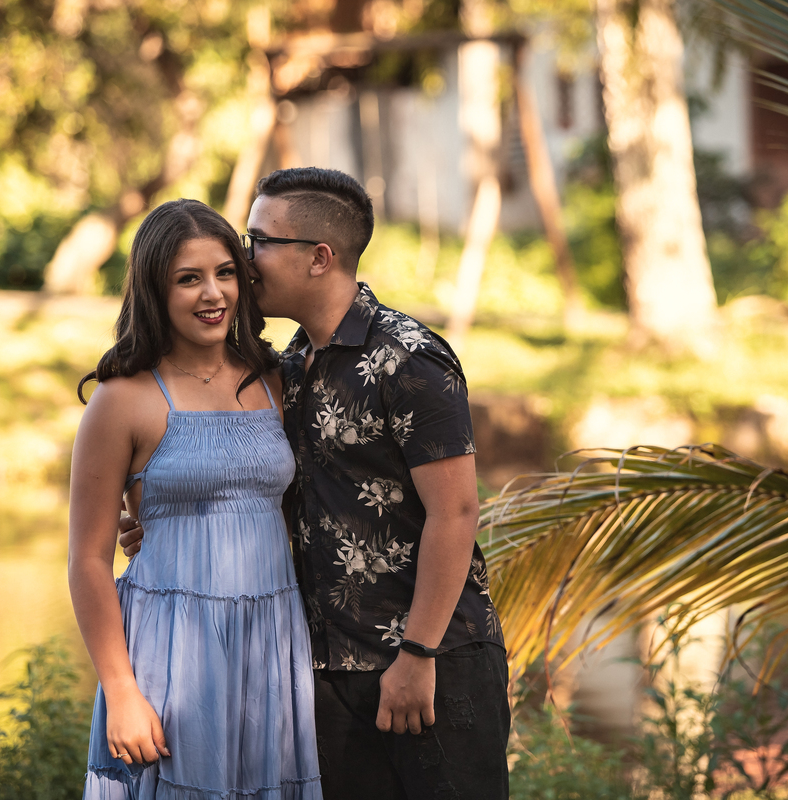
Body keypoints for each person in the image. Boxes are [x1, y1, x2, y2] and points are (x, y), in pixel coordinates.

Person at [121, 168, 510, 800]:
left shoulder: (408, 359)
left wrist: (416, 655)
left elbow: (458, 513)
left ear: (319, 257)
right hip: (323, 672)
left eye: (258, 241)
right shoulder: (287, 366)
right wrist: (167, 519)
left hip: (434, 663)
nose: (244, 262)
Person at [68, 198, 322, 799]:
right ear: (155, 290)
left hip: (270, 641)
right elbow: (85, 561)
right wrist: (122, 690)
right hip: (169, 648)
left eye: (225, 272)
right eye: (189, 279)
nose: (213, 294)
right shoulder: (122, 399)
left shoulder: (274, 380)